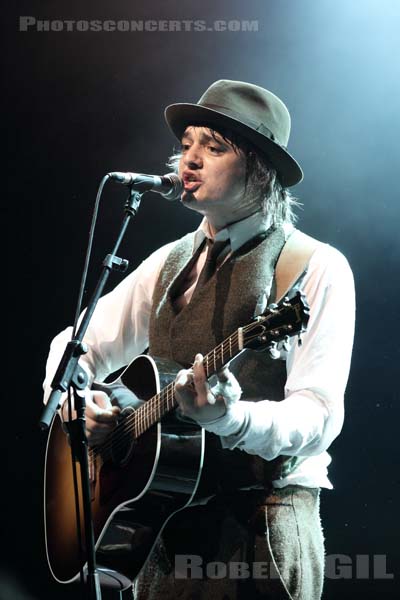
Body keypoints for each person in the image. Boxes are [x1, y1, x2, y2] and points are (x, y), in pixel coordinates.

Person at [43, 79, 355, 599]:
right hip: (162, 533)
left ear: (260, 168)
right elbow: (74, 346)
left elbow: (318, 416)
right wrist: (79, 407)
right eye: (186, 144)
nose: (189, 160)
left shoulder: (314, 266)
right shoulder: (167, 262)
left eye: (213, 147)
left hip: (259, 530)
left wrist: (230, 419)